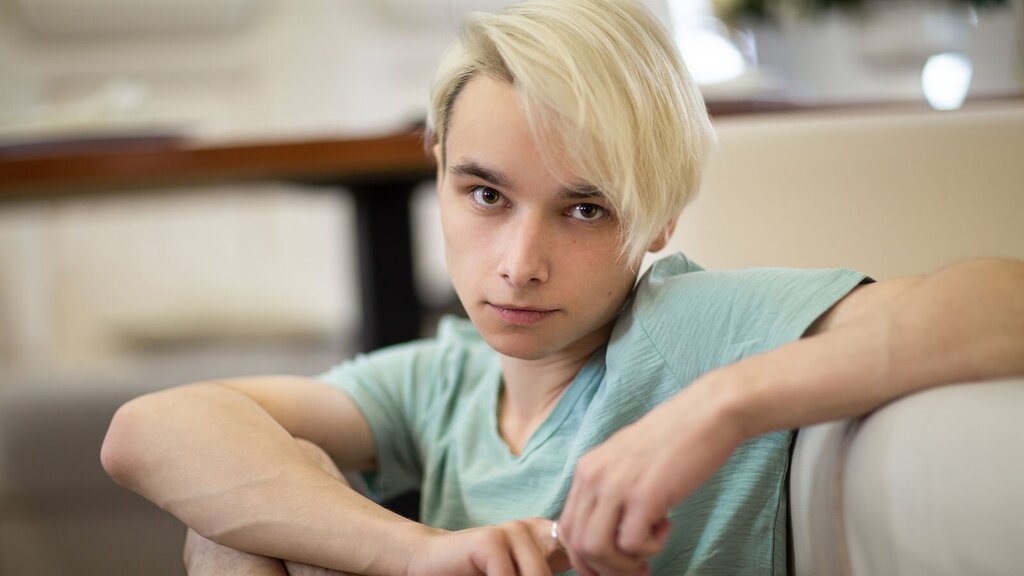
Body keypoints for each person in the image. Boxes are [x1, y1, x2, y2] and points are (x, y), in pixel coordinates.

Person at [100, 0, 1024, 575]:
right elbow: (150, 429)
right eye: (485, 194)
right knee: (230, 519)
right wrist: (421, 553)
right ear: (439, 170)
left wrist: (720, 408)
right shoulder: (441, 382)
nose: (518, 263)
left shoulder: (687, 330)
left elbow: (1004, 303)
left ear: (658, 223)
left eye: (585, 210)